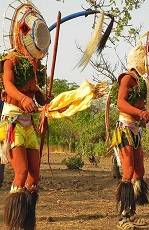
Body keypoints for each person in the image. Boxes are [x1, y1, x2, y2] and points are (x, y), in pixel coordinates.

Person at [110, 30, 149, 229]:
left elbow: (140, 113)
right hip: (125, 128)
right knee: (127, 171)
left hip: (135, 130)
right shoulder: (127, 78)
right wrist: (139, 112)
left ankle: (132, 212)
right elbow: (120, 103)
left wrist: (146, 117)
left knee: (139, 171)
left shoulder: (142, 83)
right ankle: (123, 217)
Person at [0, 2, 50, 229]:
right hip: (13, 122)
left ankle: (27, 220)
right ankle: (15, 224)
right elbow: (8, 85)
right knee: (20, 172)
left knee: (34, 177)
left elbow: (38, 97)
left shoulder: (33, 66)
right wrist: (21, 99)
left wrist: (48, 102)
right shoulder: (10, 60)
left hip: (29, 123)